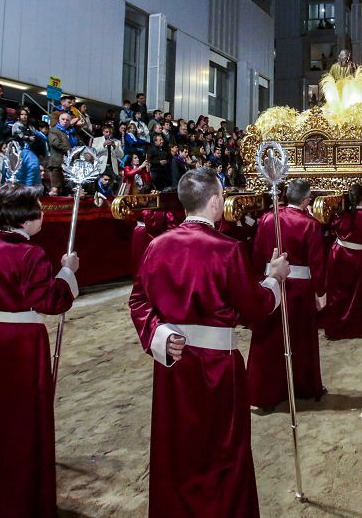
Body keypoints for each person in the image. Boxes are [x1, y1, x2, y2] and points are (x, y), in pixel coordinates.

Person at [128, 167, 290, 517]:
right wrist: (275, 279)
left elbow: (138, 301)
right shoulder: (227, 250)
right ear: (216, 202)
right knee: (222, 449)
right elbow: (253, 309)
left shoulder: (157, 246)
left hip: (172, 364)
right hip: (217, 367)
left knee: (178, 446)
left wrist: (158, 334)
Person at [0, 183, 79, 517]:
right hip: (13, 344)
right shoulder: (30, 253)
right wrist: (67, 273)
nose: (43, 211)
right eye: (38, 206)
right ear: (25, 218)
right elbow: (51, 302)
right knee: (17, 419)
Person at [247, 179, 327, 412]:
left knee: (270, 339)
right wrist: (320, 292)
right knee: (300, 338)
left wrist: (258, 282)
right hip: (299, 289)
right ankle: (303, 386)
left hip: (270, 283)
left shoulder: (266, 218)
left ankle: (263, 392)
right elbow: (317, 263)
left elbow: (257, 253)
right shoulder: (310, 224)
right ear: (305, 200)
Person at [322, 183, 362, 339]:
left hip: (338, 253)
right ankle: (358, 327)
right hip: (357, 255)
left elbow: (331, 225)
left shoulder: (341, 215)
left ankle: (335, 328)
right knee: (359, 294)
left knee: (337, 293)